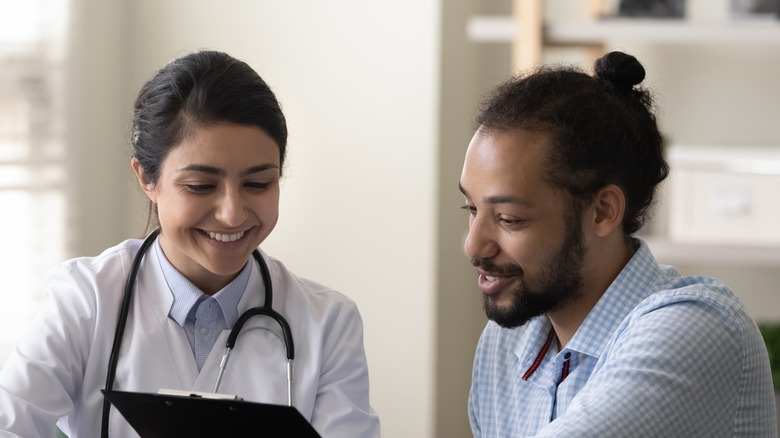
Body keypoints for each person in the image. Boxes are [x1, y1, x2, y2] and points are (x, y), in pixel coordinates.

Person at [0, 50, 380, 437]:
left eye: (258, 183)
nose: (232, 214)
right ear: (147, 178)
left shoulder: (327, 324)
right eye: (201, 186)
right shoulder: (86, 300)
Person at [459, 51, 777, 437]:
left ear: (603, 211)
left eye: (509, 219)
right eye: (471, 208)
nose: (474, 246)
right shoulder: (506, 341)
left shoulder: (696, 328)